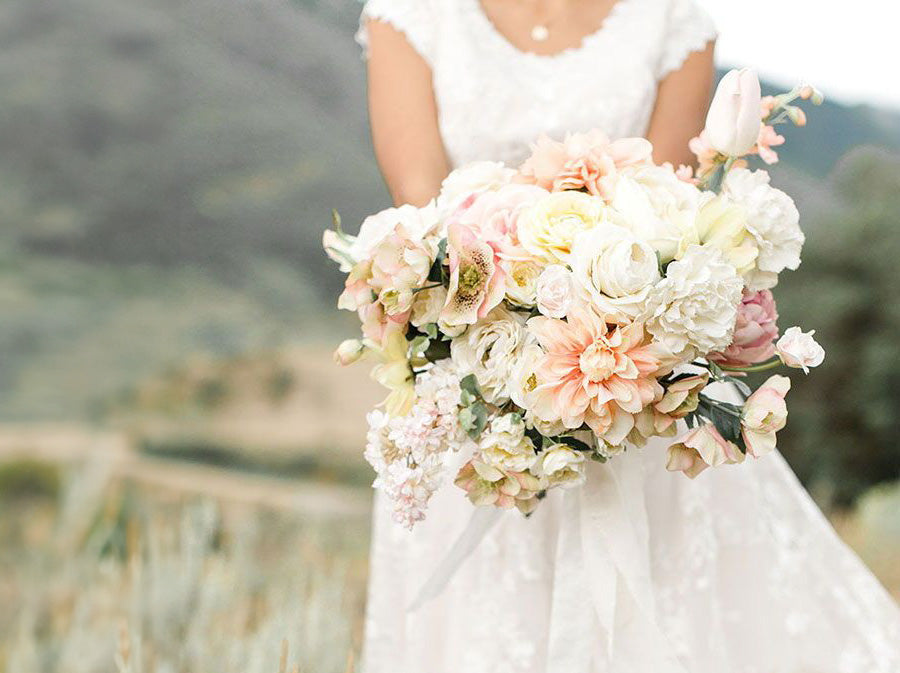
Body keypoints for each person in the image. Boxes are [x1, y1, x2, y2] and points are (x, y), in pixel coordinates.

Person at [356, 1, 900, 671]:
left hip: (629, 389)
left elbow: (659, 206)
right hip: (470, 381)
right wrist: (511, 324)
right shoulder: (412, 14)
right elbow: (424, 202)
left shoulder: (672, 21)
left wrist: (592, 317)